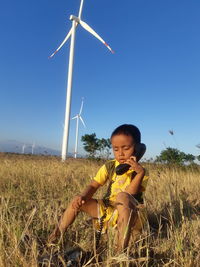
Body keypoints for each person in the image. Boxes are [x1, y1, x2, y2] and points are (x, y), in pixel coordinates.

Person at [48, 124, 149, 253]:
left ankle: (120, 253)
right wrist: (83, 197)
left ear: (138, 149)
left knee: (122, 196)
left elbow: (130, 194)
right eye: (116, 149)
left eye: (126, 148)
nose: (121, 153)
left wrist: (139, 173)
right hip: (109, 209)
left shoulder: (141, 172)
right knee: (77, 201)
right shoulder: (110, 166)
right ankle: (54, 237)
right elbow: (93, 185)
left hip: (131, 213)